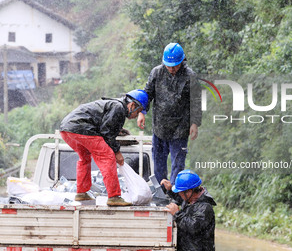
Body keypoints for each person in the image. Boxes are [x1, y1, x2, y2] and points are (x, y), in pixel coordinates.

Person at [59, 89, 148, 206]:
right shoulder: (119, 108)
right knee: (107, 156)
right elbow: (107, 133)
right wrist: (117, 152)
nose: (136, 115)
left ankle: (81, 192)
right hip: (82, 128)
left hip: (66, 129)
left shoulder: (114, 105)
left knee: (84, 158)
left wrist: (118, 131)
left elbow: (105, 125)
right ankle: (114, 197)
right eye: (138, 111)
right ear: (132, 105)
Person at [137, 42, 202, 185]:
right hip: (160, 126)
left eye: (176, 66)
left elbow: (196, 101)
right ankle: (161, 191)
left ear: (182, 62)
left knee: (178, 164)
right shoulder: (157, 72)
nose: (172, 69)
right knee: (158, 162)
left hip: (180, 128)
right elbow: (147, 93)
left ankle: (175, 194)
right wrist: (142, 111)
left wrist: (195, 123)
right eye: (169, 66)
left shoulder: (190, 76)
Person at [162, 169, 216, 251]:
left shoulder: (205, 208)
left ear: (189, 192)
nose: (179, 194)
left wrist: (177, 214)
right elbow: (180, 199)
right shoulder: (190, 200)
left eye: (180, 192)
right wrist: (170, 190)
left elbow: (193, 227)